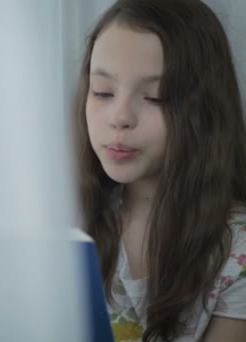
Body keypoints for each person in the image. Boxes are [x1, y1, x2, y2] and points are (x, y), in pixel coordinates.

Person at [72, 0, 246, 340]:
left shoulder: (235, 251)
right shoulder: (65, 214)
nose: (119, 117)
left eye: (155, 97)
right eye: (103, 92)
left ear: (205, 111)